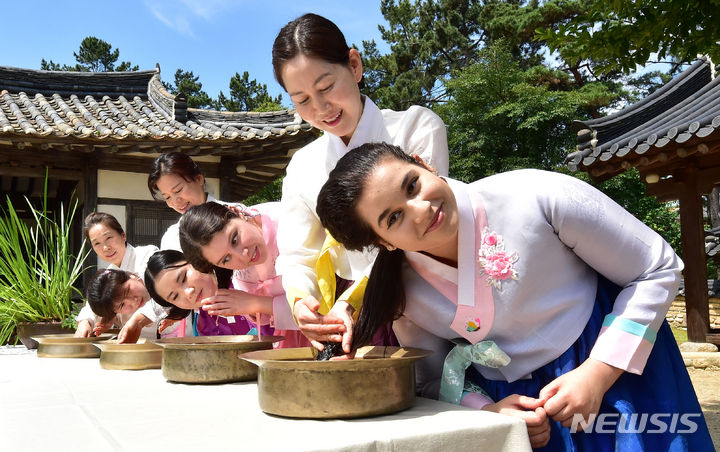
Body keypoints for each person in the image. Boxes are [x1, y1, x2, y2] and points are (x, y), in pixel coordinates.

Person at [315, 142, 713, 451]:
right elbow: (433, 377)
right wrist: (487, 411)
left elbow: (656, 267)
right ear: (383, 242)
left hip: (614, 372)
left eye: (412, 185)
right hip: (519, 413)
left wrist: (597, 373)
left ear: (424, 163)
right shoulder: (401, 293)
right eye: (393, 217)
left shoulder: (537, 195)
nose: (421, 210)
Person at [272, 13, 449, 353]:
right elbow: (297, 252)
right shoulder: (303, 166)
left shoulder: (415, 127)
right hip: (343, 317)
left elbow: (420, 230)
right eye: (302, 100)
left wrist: (352, 302)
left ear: (354, 65)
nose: (321, 108)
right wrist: (301, 300)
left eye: (326, 87)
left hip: (418, 297)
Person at [178, 201, 311, 348]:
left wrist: (256, 303)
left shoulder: (291, 221)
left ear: (236, 212)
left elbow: (317, 303)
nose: (243, 255)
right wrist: (251, 308)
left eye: (235, 239)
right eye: (226, 259)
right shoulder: (240, 276)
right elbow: (267, 317)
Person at [143, 249, 276, 338]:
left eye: (183, 278)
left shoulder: (248, 273)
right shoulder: (204, 319)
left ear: (194, 260)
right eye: (175, 297)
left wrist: (254, 304)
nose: (188, 293)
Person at [74, 212, 158, 338]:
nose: (105, 248)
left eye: (108, 238)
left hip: (174, 334)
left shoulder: (148, 255)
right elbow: (92, 306)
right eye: (97, 243)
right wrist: (85, 322)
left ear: (123, 235)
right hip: (139, 342)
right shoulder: (110, 272)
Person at [148, 151, 229, 251]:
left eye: (178, 190)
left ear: (199, 179)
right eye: (167, 197)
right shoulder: (171, 237)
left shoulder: (236, 214)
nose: (176, 202)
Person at [85, 268, 151, 335]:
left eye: (128, 290)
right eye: (122, 305)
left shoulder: (153, 275)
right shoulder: (124, 318)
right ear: (116, 312)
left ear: (131, 276)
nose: (134, 301)